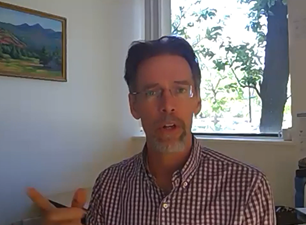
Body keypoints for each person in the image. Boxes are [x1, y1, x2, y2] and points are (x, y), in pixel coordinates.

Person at [27, 36, 276, 225]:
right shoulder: (110, 185)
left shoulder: (247, 187)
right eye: (151, 92)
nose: (167, 105)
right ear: (133, 105)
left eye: (180, 90)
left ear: (197, 100)